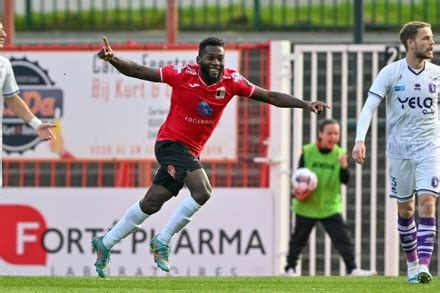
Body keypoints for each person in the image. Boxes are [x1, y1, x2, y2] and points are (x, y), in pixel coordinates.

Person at [92, 36, 330, 278]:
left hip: (190, 151)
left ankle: (106, 243)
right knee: (203, 191)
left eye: (220, 58)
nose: (216, 62)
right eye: (211, 57)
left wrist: (305, 104)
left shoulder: (231, 81)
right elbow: (139, 71)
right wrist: (113, 58)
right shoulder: (182, 74)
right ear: (199, 60)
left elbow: (269, 96)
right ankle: (162, 241)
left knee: (151, 203)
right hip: (170, 144)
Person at [352, 21, 439, 284]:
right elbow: (368, 108)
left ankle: (424, 266)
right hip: (399, 151)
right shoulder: (391, 73)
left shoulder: (437, 74)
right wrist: (359, 140)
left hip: (430, 148)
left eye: (432, 38)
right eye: (426, 38)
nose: (432, 43)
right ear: (411, 43)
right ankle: (412, 265)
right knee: (405, 210)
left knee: (427, 203)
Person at [284, 119, 376, 277]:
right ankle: (290, 269)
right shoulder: (308, 151)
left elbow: (346, 180)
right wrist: (298, 191)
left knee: (342, 238)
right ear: (320, 134)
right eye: (329, 133)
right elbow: (299, 176)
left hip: (329, 206)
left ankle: (352, 269)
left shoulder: (339, 154)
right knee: (298, 239)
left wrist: (344, 166)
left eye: (336, 133)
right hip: (307, 205)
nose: (333, 136)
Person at [0, 20, 56, 186]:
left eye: (3, 30)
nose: (4, 35)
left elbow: (12, 98)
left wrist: (36, 124)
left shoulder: (4, 65)